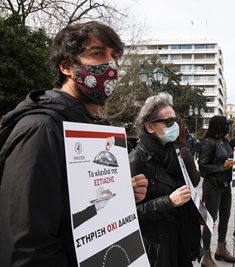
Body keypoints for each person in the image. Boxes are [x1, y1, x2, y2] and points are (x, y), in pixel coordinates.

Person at [0, 21, 148, 266]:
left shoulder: (92, 130)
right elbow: (27, 247)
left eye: (114, 57)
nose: (110, 66)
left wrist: (121, 196)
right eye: (98, 54)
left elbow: (72, 207)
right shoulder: (41, 130)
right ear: (67, 66)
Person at [129, 92, 201, 267]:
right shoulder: (136, 159)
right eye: (168, 122)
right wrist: (168, 202)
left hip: (180, 240)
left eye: (175, 120)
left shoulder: (174, 152)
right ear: (150, 127)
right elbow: (130, 216)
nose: (174, 125)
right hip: (157, 249)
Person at [198, 115, 235, 266]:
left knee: (225, 217)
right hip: (212, 186)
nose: (228, 128)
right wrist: (223, 167)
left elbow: (231, 158)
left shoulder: (225, 142)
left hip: (225, 185)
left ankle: (221, 248)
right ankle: (206, 255)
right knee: (210, 220)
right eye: (226, 125)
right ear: (219, 127)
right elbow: (202, 168)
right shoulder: (208, 143)